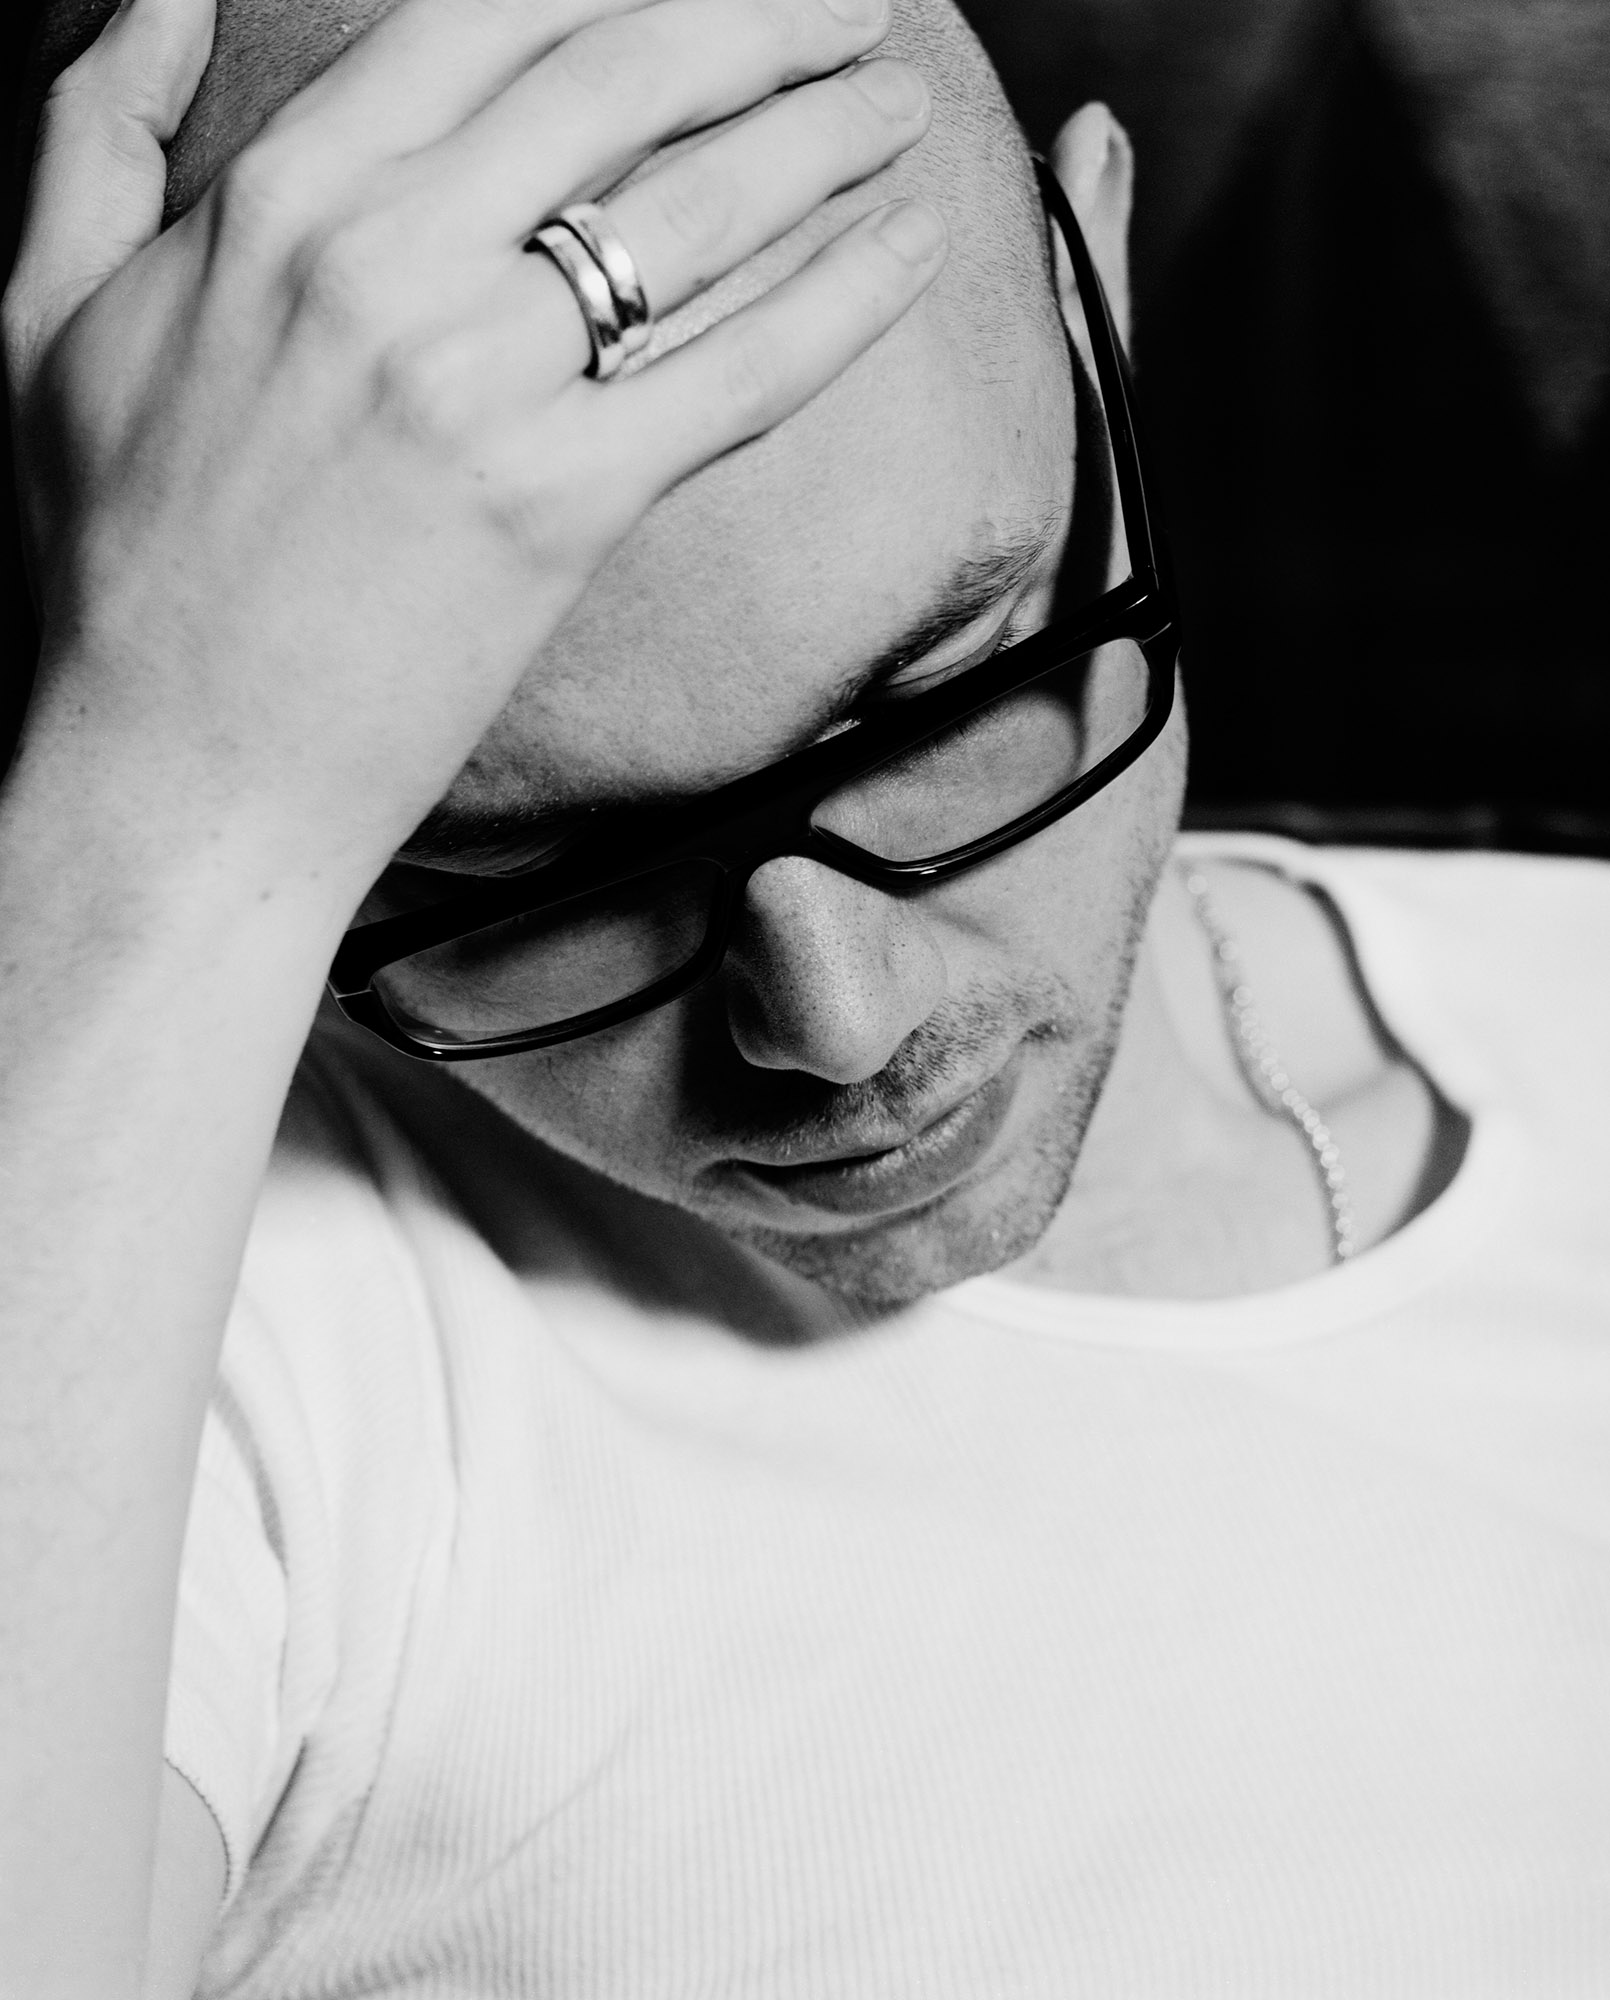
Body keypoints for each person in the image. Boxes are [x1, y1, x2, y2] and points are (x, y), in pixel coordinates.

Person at [2, 0, 1608, 1990]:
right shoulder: (189, 1312)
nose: (833, 1025)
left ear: (1098, 308)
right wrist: (153, 808)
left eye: (941, 693)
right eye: (536, 872)